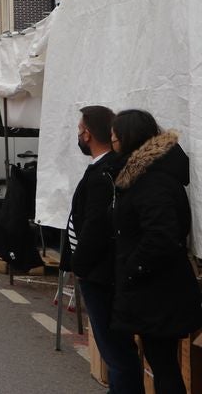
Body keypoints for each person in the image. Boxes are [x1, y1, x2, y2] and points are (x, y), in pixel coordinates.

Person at [110, 109, 202, 394]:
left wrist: (132, 269)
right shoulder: (148, 174)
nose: (112, 141)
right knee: (161, 362)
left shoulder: (153, 180)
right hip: (157, 288)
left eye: (114, 137)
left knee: (164, 365)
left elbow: (161, 235)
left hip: (159, 289)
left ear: (129, 137)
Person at [61, 105, 140, 394]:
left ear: (89, 134)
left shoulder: (103, 174)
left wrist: (79, 266)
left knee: (115, 350)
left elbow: (96, 227)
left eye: (80, 130)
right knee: (116, 349)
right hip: (103, 271)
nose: (79, 136)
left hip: (99, 274)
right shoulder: (109, 168)